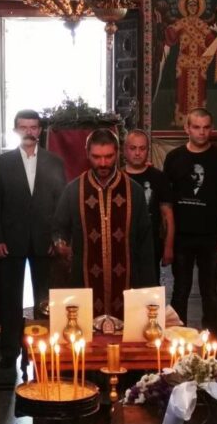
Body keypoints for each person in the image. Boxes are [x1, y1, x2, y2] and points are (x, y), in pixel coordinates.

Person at [0, 110, 66, 372]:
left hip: (45, 242)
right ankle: (9, 352)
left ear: (40, 131)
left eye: (33, 127)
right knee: (10, 300)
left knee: (45, 301)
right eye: (23, 127)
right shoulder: (1, 163)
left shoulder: (54, 162)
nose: (29, 132)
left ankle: (44, 350)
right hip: (11, 241)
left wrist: (57, 238)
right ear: (15, 130)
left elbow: (61, 204)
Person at [53, 129, 156, 319]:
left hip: (127, 282)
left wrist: (147, 291)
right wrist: (60, 243)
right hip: (83, 280)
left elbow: (145, 242)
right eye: (96, 157)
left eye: (108, 157)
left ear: (117, 153)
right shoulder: (74, 190)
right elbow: (59, 228)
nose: (102, 163)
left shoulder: (134, 191)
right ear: (87, 154)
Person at [162, 110, 217, 335]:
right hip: (181, 236)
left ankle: (211, 342)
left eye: (206, 127)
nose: (201, 132)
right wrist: (167, 238)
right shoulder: (174, 157)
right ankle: (177, 339)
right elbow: (166, 202)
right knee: (180, 290)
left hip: (211, 236)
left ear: (211, 128)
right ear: (187, 128)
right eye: (196, 127)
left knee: (209, 291)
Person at [124, 129, 175, 282]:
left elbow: (167, 215)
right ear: (125, 150)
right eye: (133, 148)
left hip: (151, 245)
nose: (137, 153)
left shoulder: (159, 177)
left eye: (142, 148)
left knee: (150, 289)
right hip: (122, 245)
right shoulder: (117, 177)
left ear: (148, 150)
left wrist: (169, 247)